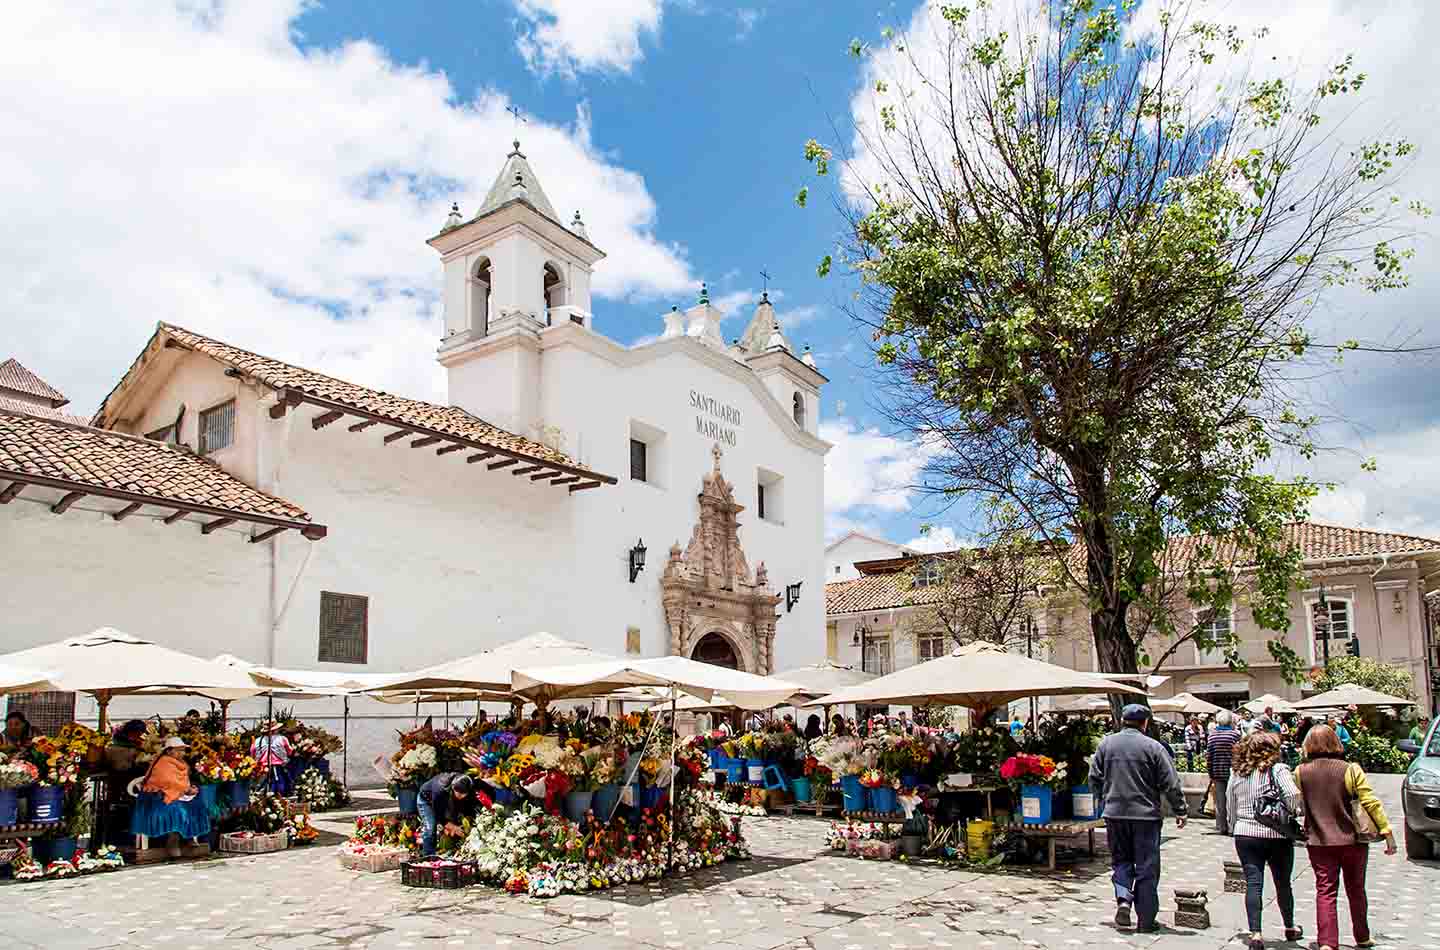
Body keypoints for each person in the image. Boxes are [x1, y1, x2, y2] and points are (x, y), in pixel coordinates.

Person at [1089, 704, 1188, 933]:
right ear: (1144, 723)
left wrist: (1104, 800)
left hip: (1115, 814)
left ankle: (1123, 899)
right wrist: (1180, 809)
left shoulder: (1106, 744)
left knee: (1121, 861)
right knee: (1146, 867)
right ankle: (1145, 920)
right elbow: (1170, 782)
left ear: (1122, 720)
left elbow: (1094, 777)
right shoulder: (1154, 747)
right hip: (1146, 817)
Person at [1296, 724, 1395, 950]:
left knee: (1325, 890)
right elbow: (1370, 802)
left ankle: (1327, 943)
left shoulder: (1300, 772)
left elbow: (1298, 804)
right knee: (1356, 888)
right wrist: (1387, 833)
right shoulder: (1351, 770)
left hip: (1318, 841)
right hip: (1353, 841)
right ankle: (1362, 936)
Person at [1225, 733, 1304, 949]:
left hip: (1245, 833)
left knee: (1253, 882)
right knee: (1283, 882)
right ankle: (1289, 926)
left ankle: (1256, 934)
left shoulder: (1238, 772)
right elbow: (1292, 794)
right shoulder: (1277, 769)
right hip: (1276, 834)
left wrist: (1235, 827)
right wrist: (1294, 813)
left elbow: (1229, 803)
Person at [131, 736, 208, 859]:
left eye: (183, 750)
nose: (182, 753)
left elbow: (181, 782)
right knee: (175, 809)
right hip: (155, 797)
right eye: (178, 750)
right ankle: (173, 841)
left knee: (196, 804)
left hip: (173, 793)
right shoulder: (163, 763)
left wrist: (189, 789)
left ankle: (189, 836)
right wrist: (186, 789)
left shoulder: (181, 764)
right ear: (168, 751)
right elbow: (167, 781)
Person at [416, 772, 477, 856]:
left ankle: (454, 850)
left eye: (463, 794)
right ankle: (429, 856)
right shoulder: (439, 789)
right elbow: (439, 816)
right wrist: (453, 827)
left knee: (456, 821)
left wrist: (467, 819)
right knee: (430, 828)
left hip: (445, 800)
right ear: (452, 787)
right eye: (458, 793)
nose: (461, 796)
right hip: (427, 801)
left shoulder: (467, 785)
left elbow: (468, 806)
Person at [1207, 710, 1241, 836]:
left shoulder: (1212, 736)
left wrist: (1210, 773)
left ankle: (1222, 827)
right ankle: (1233, 827)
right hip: (1233, 771)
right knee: (1233, 800)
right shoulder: (1235, 735)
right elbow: (1240, 753)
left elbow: (1209, 756)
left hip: (1217, 772)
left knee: (1220, 801)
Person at [250, 720, 293, 794]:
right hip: (279, 766)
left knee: (261, 786)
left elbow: (252, 752)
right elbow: (289, 751)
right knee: (280, 786)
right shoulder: (282, 739)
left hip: (263, 767)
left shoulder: (257, 741)